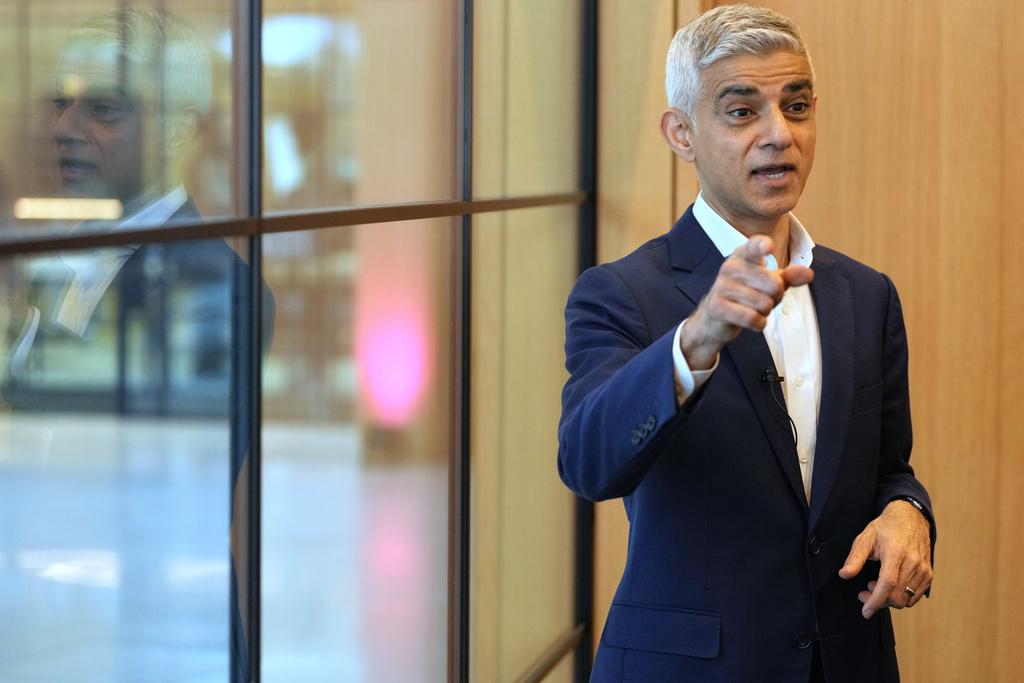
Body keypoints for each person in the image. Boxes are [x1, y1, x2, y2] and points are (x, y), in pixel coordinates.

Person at [557, 5, 934, 682]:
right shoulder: (620, 292)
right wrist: (696, 339)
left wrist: (909, 512)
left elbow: (889, 469)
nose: (779, 135)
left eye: (797, 106)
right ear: (682, 134)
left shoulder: (867, 294)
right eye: (741, 112)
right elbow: (588, 462)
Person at [0, 8, 271, 683]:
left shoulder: (218, 290)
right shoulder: (54, 257)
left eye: (104, 109)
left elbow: (142, 501)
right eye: (60, 103)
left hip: (138, 642)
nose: (64, 129)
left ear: (179, 126)